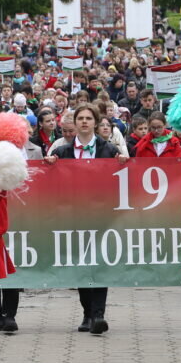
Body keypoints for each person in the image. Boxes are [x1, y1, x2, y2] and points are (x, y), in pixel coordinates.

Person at [46, 104, 126, 333]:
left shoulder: (109, 150)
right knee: (81, 266)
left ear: (95, 122)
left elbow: (122, 176)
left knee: (100, 264)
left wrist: (121, 163)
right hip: (75, 216)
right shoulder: (63, 152)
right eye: (80, 118)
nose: (84, 122)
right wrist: (50, 164)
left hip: (102, 216)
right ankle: (87, 312)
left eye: (88, 118)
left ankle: (98, 314)